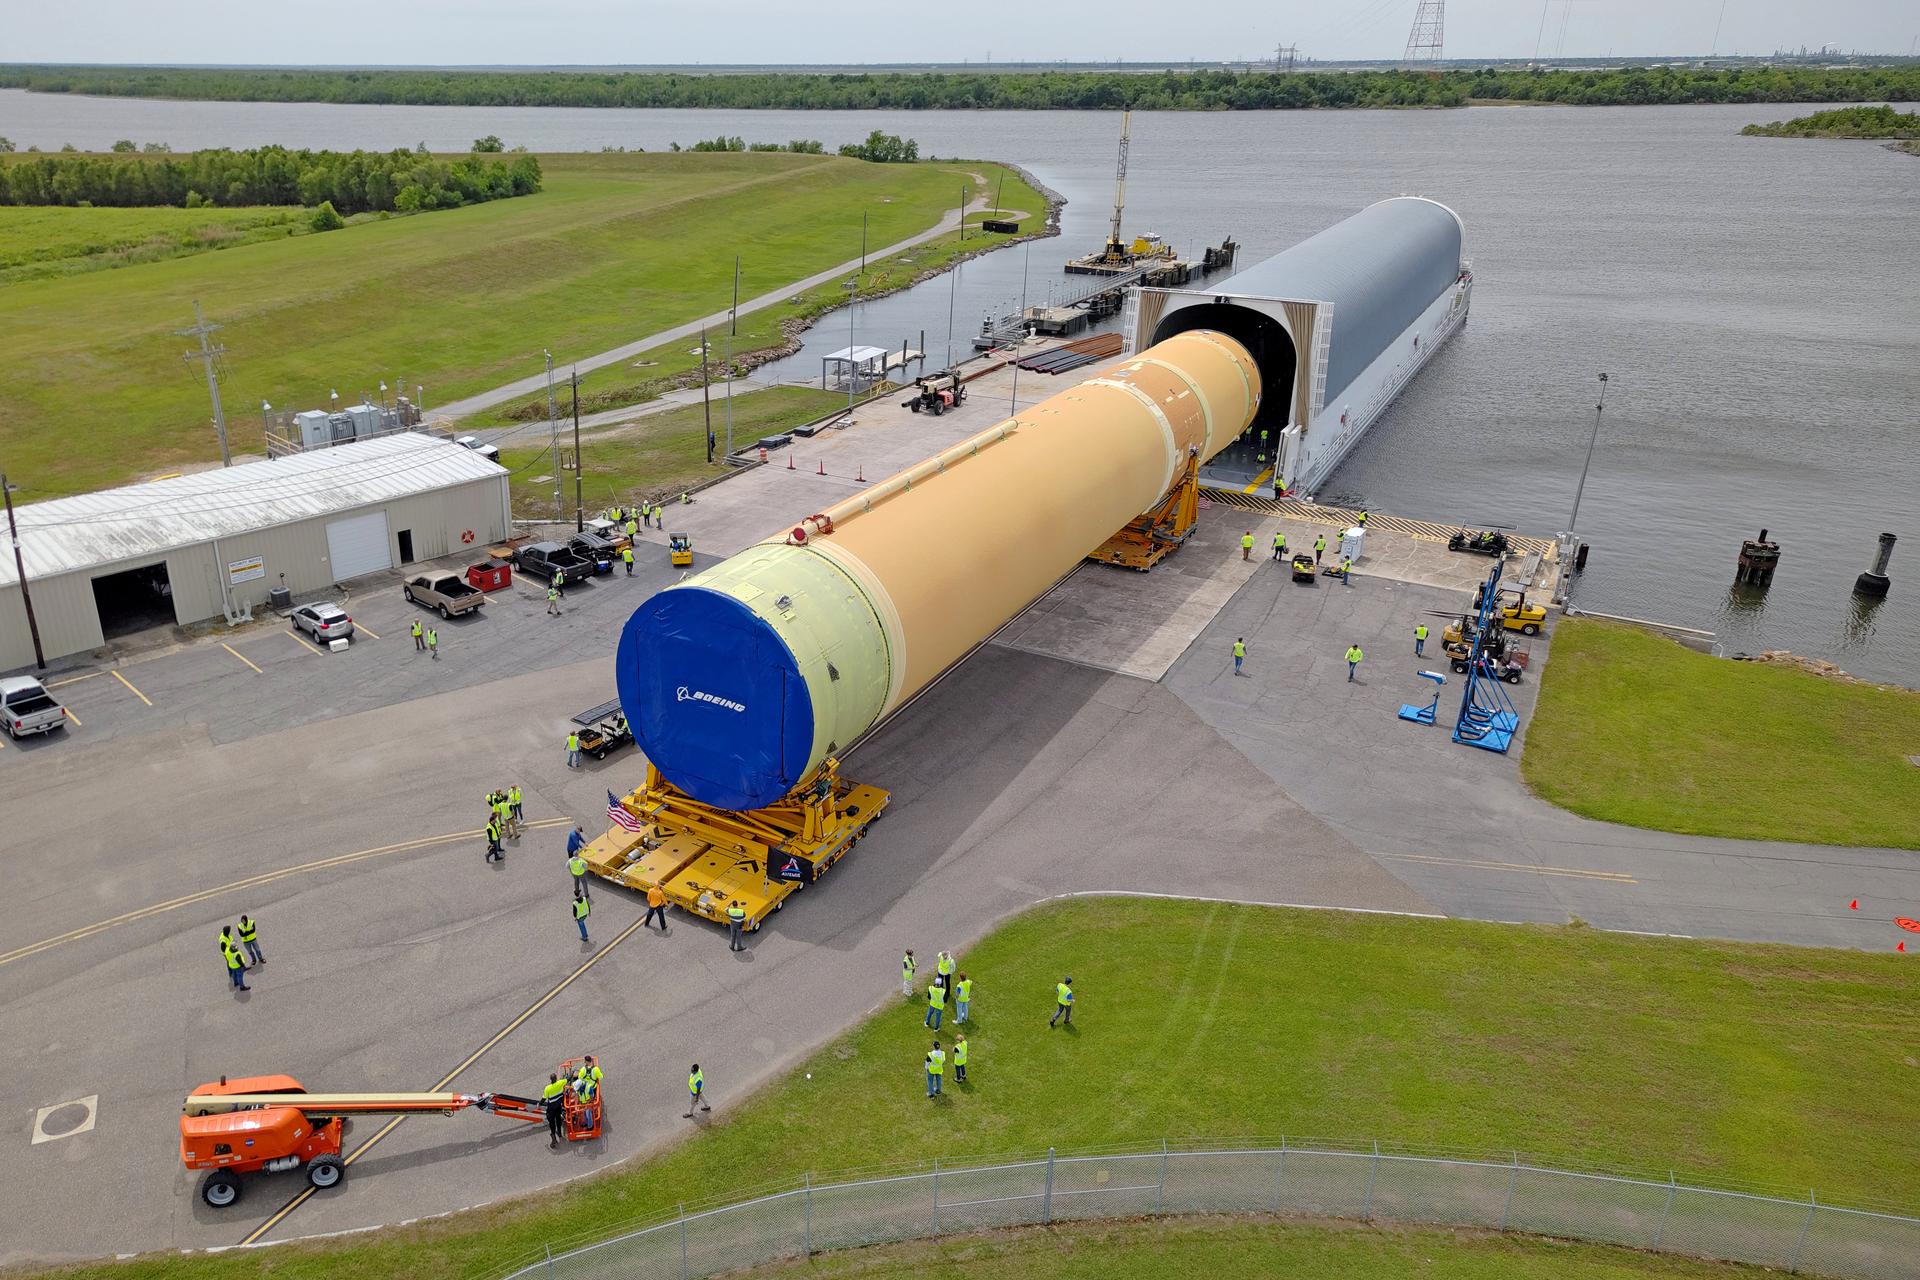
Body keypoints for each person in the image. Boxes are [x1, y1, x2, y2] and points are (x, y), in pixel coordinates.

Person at [219, 926, 250, 991]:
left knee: (233, 971)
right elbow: (223, 948)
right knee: (239, 976)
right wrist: (242, 966)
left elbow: (226, 949)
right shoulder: (223, 940)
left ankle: (235, 982)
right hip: (236, 964)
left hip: (232, 962)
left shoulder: (227, 948)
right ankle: (242, 987)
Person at [542, 1072, 568, 1148]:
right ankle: (559, 1133)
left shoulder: (548, 1088)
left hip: (551, 1109)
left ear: (550, 1079)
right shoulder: (560, 1083)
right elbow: (568, 1079)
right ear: (556, 1078)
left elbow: (544, 1098)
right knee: (558, 1119)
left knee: (552, 1122)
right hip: (558, 1107)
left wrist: (539, 1104)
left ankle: (554, 1140)